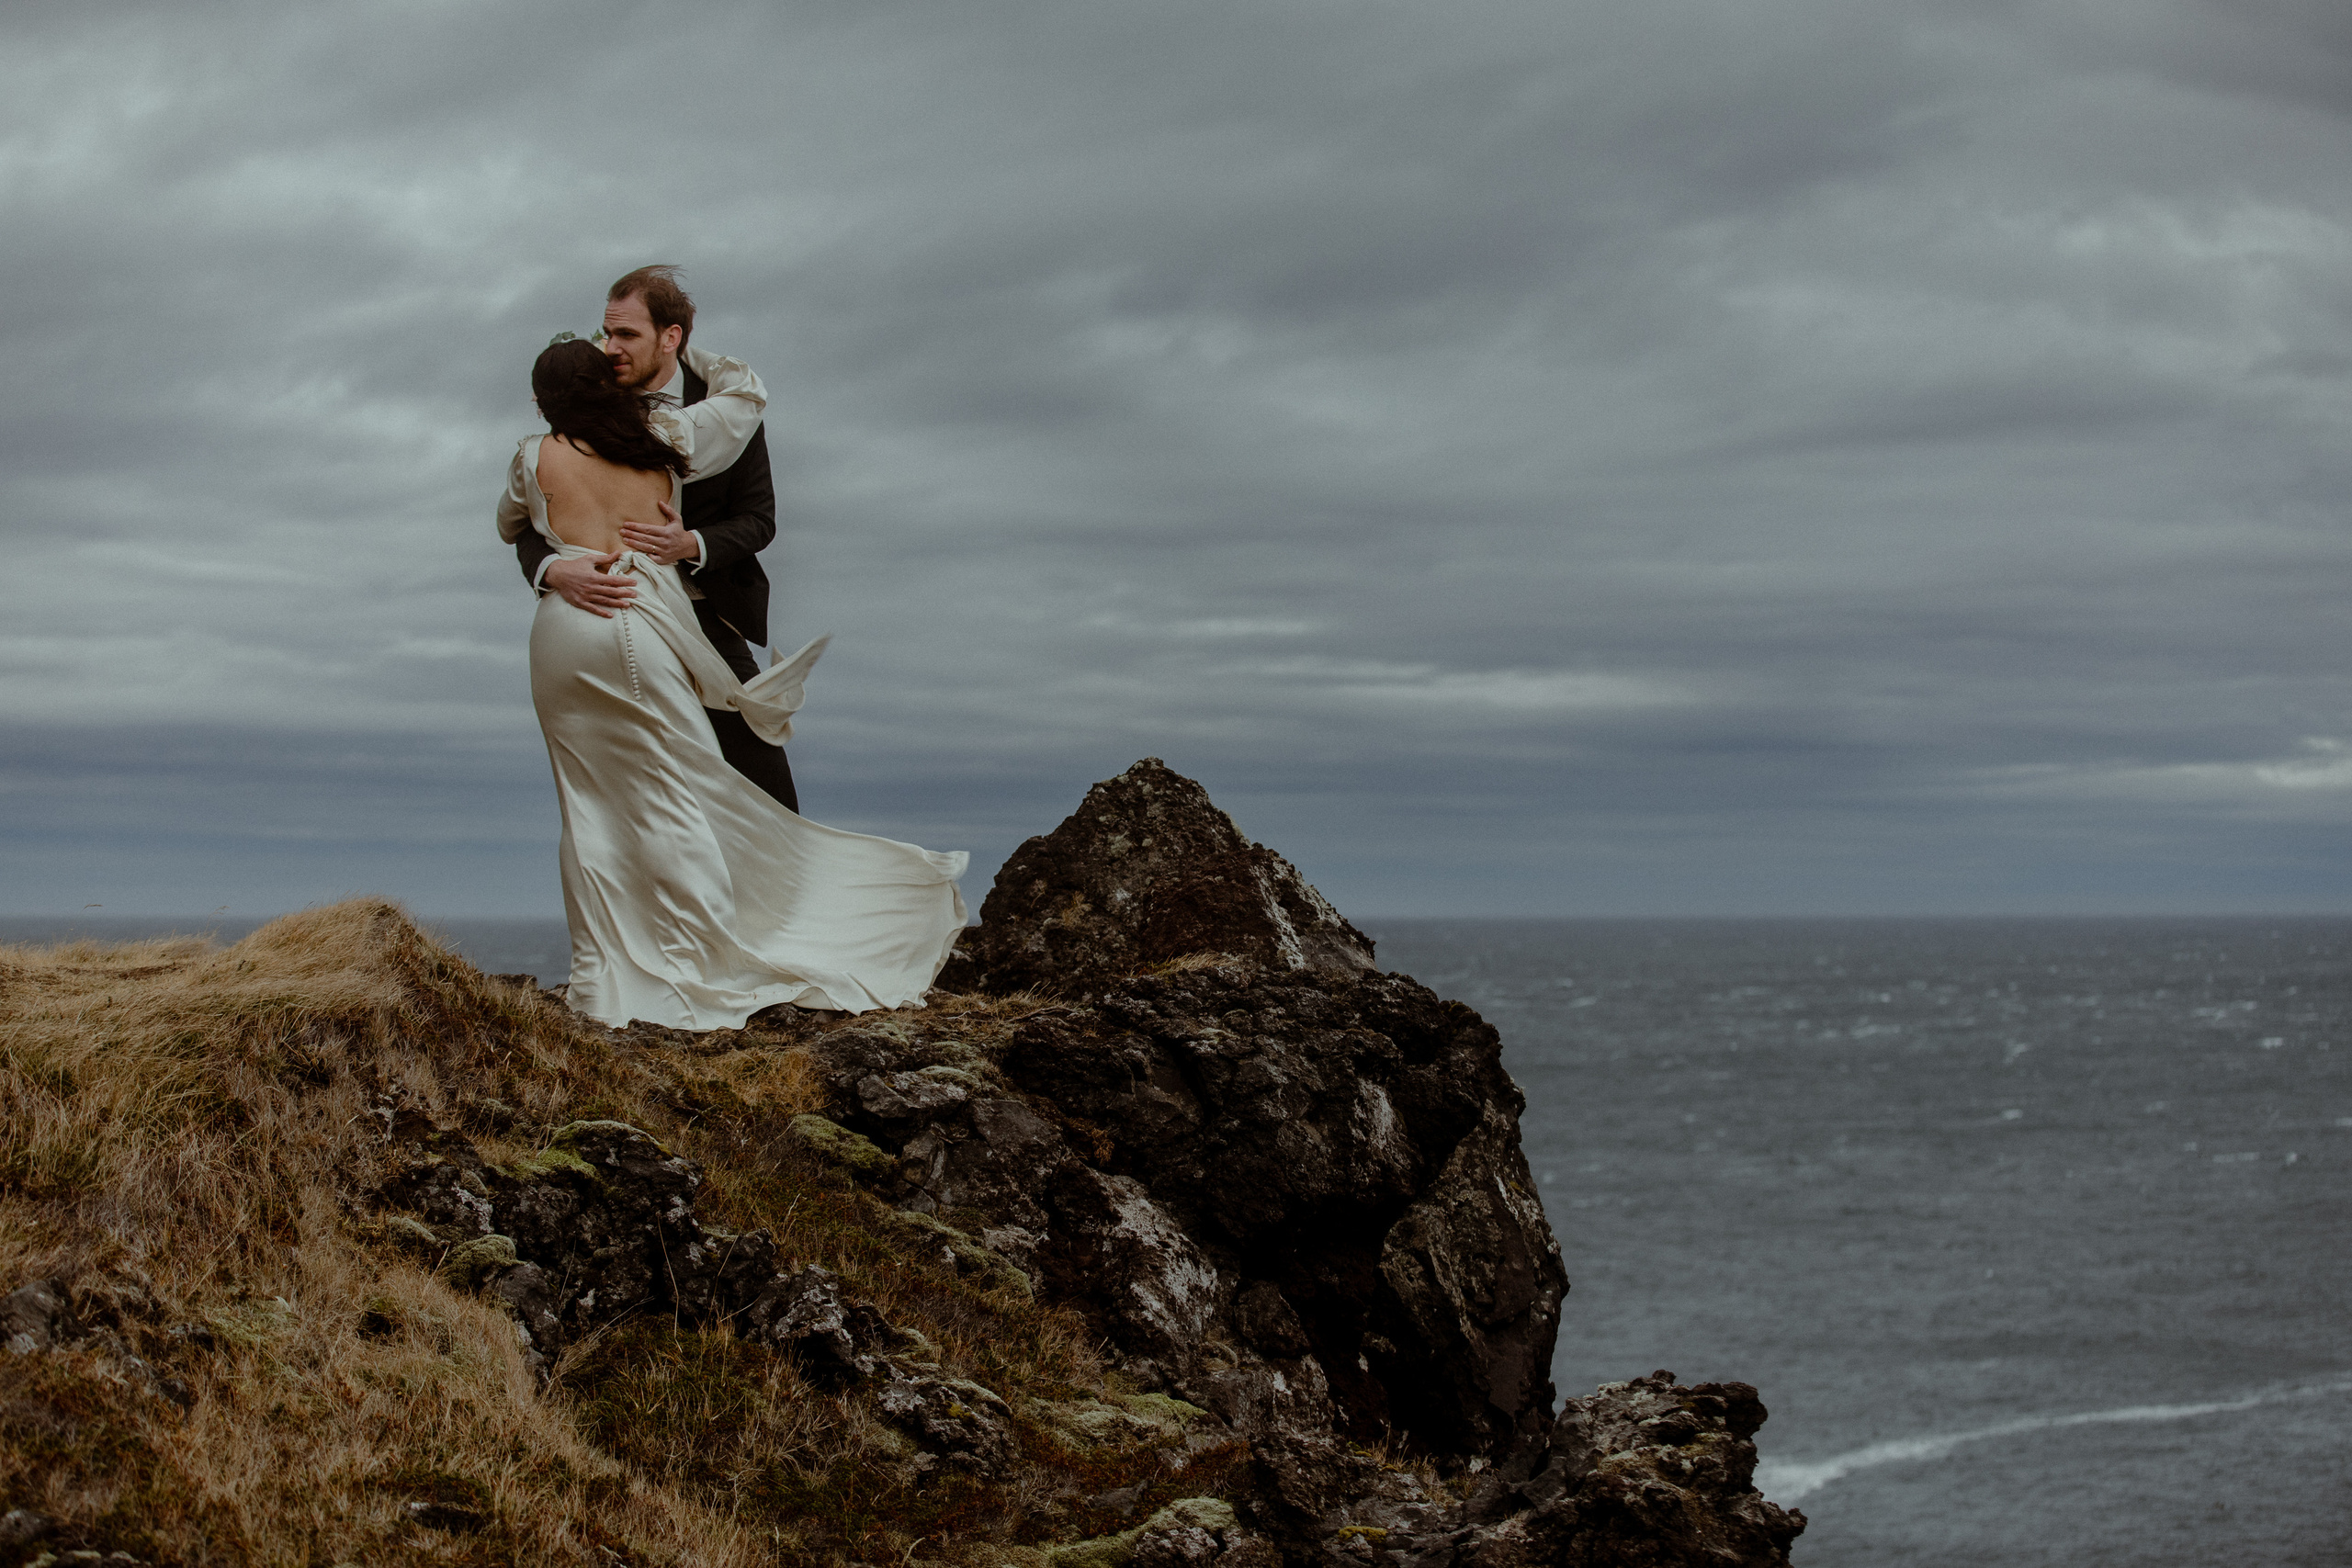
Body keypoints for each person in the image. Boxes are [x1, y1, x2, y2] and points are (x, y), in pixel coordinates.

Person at [494, 333, 967, 1029]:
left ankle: (600, 978)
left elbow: (510, 522)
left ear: (541, 401)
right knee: (681, 794)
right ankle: (696, 955)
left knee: (586, 806)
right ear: (610, 388)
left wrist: (554, 559)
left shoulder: (530, 456)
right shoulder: (663, 434)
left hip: (565, 631)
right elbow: (743, 397)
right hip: (643, 624)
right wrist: (690, 348)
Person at [514, 266, 797, 810]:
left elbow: (759, 519)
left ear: (671, 337)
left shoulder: (728, 411)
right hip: (607, 613)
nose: (609, 348)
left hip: (705, 611)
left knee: (767, 790)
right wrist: (550, 570)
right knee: (634, 800)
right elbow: (529, 513)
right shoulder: (582, 397)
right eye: (606, 332)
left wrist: (690, 543)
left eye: (626, 335)